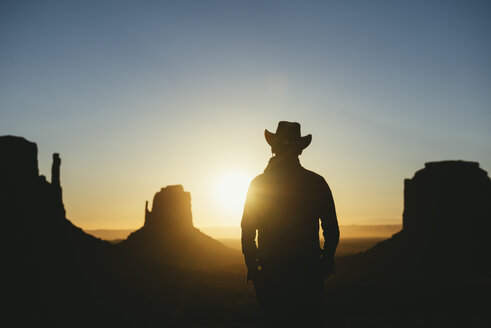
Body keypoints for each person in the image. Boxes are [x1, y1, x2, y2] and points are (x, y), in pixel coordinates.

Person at [241, 121, 339, 326]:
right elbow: (332, 230)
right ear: (300, 150)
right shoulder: (316, 182)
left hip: (271, 275)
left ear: (273, 147)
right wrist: (324, 265)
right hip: (308, 275)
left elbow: (248, 231)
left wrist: (255, 272)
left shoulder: (259, 184)